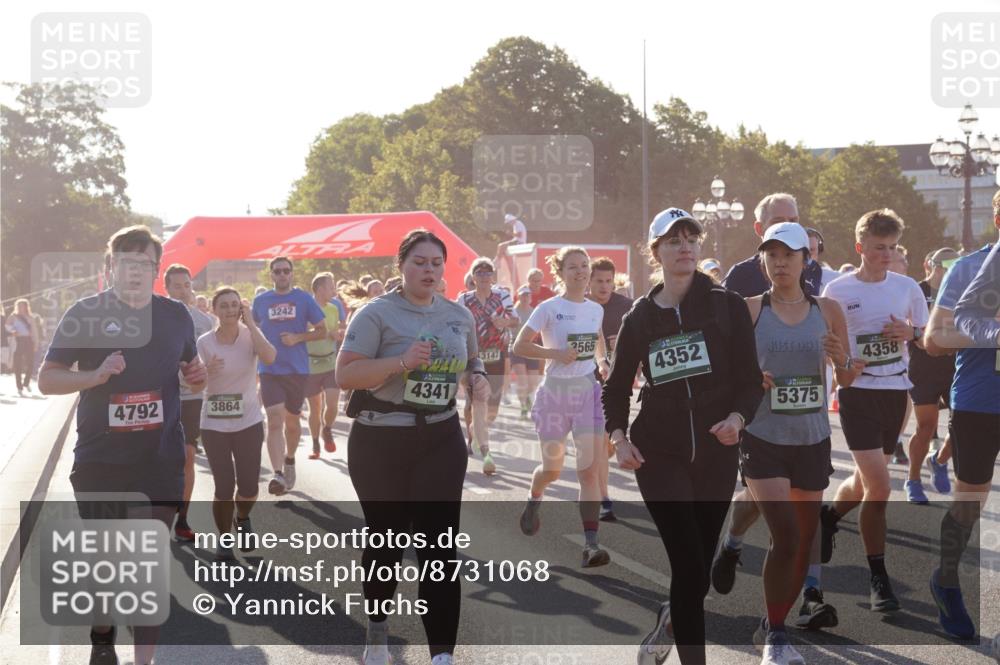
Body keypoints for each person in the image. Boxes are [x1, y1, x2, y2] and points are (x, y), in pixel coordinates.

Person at [38, 225, 207, 665]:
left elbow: (192, 364)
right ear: (110, 266)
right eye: (126, 262)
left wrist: (197, 374)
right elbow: (47, 378)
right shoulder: (85, 312)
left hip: (160, 457)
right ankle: (101, 630)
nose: (135, 271)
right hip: (101, 459)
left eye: (145, 263)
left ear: (156, 267)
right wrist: (93, 377)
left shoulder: (175, 315)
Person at [603, 207, 762, 665]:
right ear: (655, 251)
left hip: (716, 450)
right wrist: (618, 438)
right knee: (690, 564)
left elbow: (751, 381)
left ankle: (671, 620)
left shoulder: (726, 305)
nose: (685, 247)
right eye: (673, 241)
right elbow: (614, 387)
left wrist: (737, 418)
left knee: (697, 575)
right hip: (659, 449)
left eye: (691, 237)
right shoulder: (639, 318)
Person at [337, 229, 487, 665]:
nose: (428, 270)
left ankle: (442, 655)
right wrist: (402, 362)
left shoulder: (459, 315)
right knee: (387, 541)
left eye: (436, 263)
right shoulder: (375, 314)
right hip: (381, 439)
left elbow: (472, 359)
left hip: (440, 436)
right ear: (400, 267)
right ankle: (378, 630)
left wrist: (476, 377)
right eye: (419, 262)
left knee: (439, 546)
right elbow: (345, 376)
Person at [740, 223, 859, 663]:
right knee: (786, 535)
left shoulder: (828, 309)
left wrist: (839, 357)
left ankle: (772, 624)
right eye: (771, 255)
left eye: (789, 254)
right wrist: (750, 378)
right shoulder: (750, 310)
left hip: (811, 438)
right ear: (763, 261)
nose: (780, 262)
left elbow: (847, 376)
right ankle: (776, 635)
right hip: (763, 435)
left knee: (802, 539)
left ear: (806, 260)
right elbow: (729, 372)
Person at [819, 209, 928, 613]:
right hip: (858, 394)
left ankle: (828, 517)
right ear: (860, 247)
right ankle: (878, 578)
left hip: (897, 392)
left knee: (866, 481)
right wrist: (844, 364)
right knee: (881, 486)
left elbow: (929, 337)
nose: (886, 255)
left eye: (892, 248)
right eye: (879, 248)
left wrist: (911, 333)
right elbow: (828, 344)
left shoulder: (907, 288)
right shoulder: (839, 291)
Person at [713, 193, 819, 598]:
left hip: (807, 417)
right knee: (759, 502)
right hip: (758, 414)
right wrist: (746, 377)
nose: (785, 255)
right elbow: (722, 343)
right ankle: (733, 543)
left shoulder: (816, 271)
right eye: (778, 220)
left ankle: (811, 594)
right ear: (759, 230)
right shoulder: (740, 278)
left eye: (794, 219)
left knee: (802, 510)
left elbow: (824, 333)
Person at [925, 189, 1000, 640]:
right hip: (980, 400)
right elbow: (935, 338)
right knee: (971, 503)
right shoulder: (969, 268)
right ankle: (947, 580)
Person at [513, 246, 612, 568]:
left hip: (587, 393)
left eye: (584, 266)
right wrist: (555, 355)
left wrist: (602, 360)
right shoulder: (548, 308)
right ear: (561, 272)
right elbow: (520, 345)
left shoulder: (595, 309)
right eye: (573, 267)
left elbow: (597, 340)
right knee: (552, 470)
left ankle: (591, 544)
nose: (580, 272)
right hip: (555, 395)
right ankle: (534, 497)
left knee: (588, 471)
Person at [198, 287, 276, 561]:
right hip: (214, 424)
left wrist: (252, 323)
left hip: (249, 421)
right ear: (213, 310)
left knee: (249, 487)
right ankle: (224, 538)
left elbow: (269, 357)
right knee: (223, 486)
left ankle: (242, 518)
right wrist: (206, 372)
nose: (230, 310)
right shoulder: (205, 342)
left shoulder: (250, 335)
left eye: (234, 305)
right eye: (224, 306)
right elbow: (195, 383)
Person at [252, 257, 327, 495]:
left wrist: (297, 338)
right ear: (271, 275)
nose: (282, 275)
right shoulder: (261, 301)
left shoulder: (303, 298)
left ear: (291, 274)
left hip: (297, 369)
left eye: (286, 271)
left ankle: (290, 458)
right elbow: (251, 332)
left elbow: (322, 330)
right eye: (277, 271)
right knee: (274, 419)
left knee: (292, 423)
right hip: (270, 369)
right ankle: (277, 474)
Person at [163, 264, 216, 543]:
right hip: (161, 396)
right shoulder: (154, 318)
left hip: (192, 397)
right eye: (177, 286)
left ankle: (182, 519)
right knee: (160, 460)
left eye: (187, 285)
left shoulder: (204, 321)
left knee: (188, 456)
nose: (184, 291)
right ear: (167, 289)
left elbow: (211, 356)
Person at [903, 247, 960, 504]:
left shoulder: (960, 292)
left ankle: (938, 461)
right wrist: (921, 336)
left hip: (953, 367)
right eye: (941, 265)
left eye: (952, 266)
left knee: (961, 425)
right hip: (923, 368)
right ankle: (913, 479)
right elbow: (909, 330)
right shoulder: (916, 290)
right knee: (926, 427)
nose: (946, 271)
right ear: (929, 265)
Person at [459, 258, 518, 475]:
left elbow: (515, 318)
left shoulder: (502, 295)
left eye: (488, 273)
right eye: (479, 273)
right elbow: (456, 322)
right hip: (473, 356)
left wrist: (505, 322)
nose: (484, 277)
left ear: (493, 276)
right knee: (475, 399)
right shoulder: (464, 299)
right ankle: (478, 444)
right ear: (473, 277)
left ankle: (477, 429)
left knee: (492, 407)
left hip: (496, 355)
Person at [587, 256, 634, 522]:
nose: (605, 287)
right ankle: (604, 498)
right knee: (598, 441)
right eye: (599, 281)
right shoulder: (581, 305)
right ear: (590, 282)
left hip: (618, 381)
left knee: (607, 443)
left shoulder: (627, 306)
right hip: (586, 379)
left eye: (609, 281)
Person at [722, 193, 823, 298]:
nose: (786, 226)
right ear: (759, 228)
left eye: (793, 221)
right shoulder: (741, 275)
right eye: (778, 221)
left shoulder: (813, 269)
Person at [305, 272, 343, 459]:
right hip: (311, 365)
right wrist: (320, 332)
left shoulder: (333, 308)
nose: (333, 291)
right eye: (330, 287)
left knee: (333, 404)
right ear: (320, 289)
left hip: (330, 362)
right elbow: (301, 333)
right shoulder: (305, 309)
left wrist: (337, 334)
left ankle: (327, 428)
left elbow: (337, 330)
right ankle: (315, 444)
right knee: (315, 408)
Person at [509, 286, 541, 419]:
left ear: (530, 298)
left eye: (528, 295)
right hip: (516, 346)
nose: (525, 298)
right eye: (523, 295)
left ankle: (527, 399)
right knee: (522, 379)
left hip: (531, 346)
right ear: (519, 296)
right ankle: (523, 407)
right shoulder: (513, 312)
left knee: (533, 382)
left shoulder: (535, 312)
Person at [5, 298, 40, 395]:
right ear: (16, 306)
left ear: (26, 307)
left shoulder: (30, 317)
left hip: (29, 341)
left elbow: (35, 332)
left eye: (23, 305)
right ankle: (19, 386)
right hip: (18, 341)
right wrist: (13, 331)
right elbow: (7, 326)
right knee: (17, 364)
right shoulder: (13, 316)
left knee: (30, 363)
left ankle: (26, 382)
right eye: (19, 305)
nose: (21, 307)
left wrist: (36, 343)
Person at [805, 228, 841, 293]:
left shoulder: (834, 279)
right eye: (804, 250)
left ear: (819, 250)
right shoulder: (786, 278)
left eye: (812, 250)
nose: (808, 254)